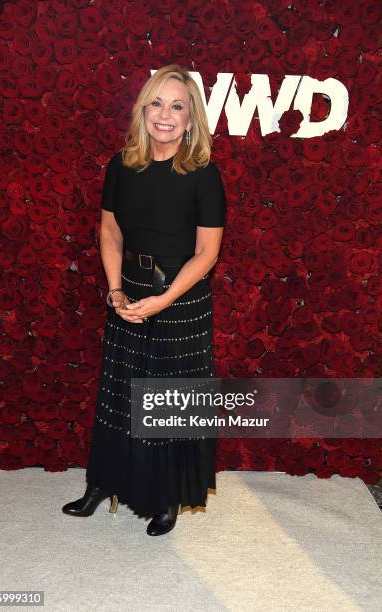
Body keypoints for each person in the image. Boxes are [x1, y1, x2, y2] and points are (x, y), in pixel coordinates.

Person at [62, 64, 226, 536]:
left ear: (191, 119)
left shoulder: (203, 175)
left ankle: (166, 496)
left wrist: (164, 300)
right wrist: (115, 288)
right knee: (118, 393)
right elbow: (109, 230)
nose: (165, 114)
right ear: (142, 110)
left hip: (182, 296)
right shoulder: (122, 164)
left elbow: (207, 253)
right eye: (157, 102)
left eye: (177, 106)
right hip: (128, 288)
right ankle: (104, 482)